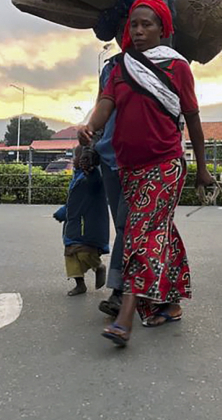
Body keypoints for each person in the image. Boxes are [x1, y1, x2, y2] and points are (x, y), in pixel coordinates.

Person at [78, 0, 213, 348]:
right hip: (129, 168)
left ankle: (124, 318)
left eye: (146, 24)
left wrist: (202, 168)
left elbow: (193, 119)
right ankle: (170, 303)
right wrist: (89, 127)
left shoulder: (176, 68)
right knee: (158, 230)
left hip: (165, 165)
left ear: (162, 29)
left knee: (140, 233)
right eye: (133, 25)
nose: (138, 31)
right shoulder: (120, 67)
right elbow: (105, 105)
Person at [93, 52, 129, 317]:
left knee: (128, 226)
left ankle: (119, 291)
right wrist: (91, 142)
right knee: (122, 226)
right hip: (109, 156)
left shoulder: (167, 62)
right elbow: (101, 106)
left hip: (142, 160)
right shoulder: (110, 68)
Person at [52, 146, 110, 296]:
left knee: (85, 252)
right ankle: (80, 284)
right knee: (70, 255)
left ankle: (98, 266)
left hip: (88, 225)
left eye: (78, 156)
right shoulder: (77, 177)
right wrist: (63, 213)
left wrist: (91, 169)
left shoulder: (93, 176)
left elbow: (94, 181)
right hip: (74, 225)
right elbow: (74, 202)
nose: (75, 159)